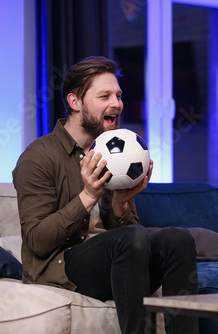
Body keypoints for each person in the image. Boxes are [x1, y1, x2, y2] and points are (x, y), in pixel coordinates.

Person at [12, 56, 199, 334]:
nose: (117, 104)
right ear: (75, 103)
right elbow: (37, 241)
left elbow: (132, 239)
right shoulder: (38, 157)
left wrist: (121, 206)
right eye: (104, 96)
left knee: (178, 239)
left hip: (116, 262)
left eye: (118, 95)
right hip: (64, 266)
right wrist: (88, 196)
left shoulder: (116, 151)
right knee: (132, 238)